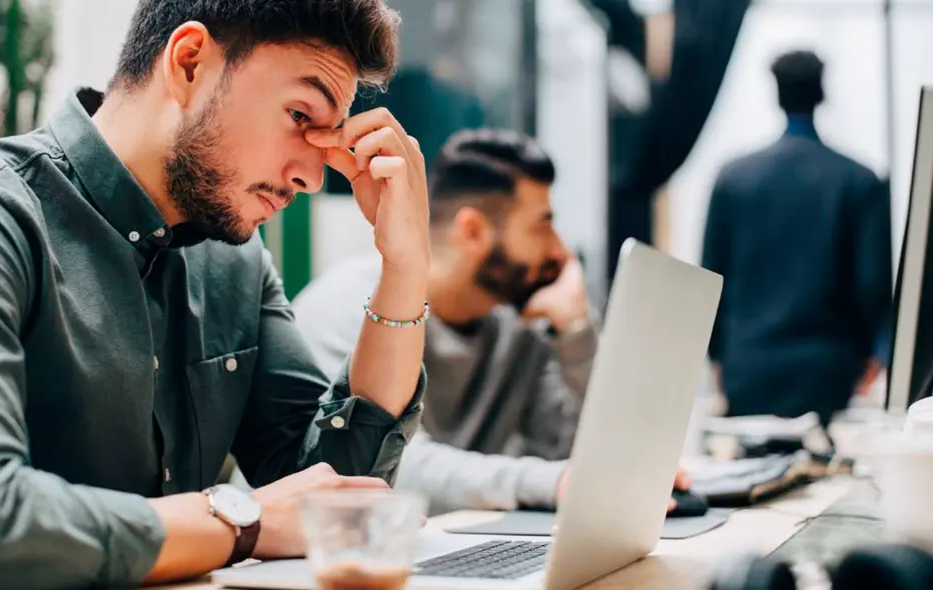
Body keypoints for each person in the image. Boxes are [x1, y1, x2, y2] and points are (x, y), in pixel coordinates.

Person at [0, 1, 433, 588]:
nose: (313, 176)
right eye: (300, 114)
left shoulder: (234, 260)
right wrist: (239, 522)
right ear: (190, 63)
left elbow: (330, 491)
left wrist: (404, 266)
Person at [294, 128, 690, 515]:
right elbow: (387, 469)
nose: (559, 250)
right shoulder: (347, 308)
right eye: (542, 224)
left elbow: (573, 452)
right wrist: (551, 483)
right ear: (473, 231)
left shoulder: (519, 327)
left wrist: (575, 333)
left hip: (449, 546)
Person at [701, 49, 892, 425]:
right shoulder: (859, 180)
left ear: (778, 95)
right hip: (827, 370)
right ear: (821, 94)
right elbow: (872, 284)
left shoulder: (733, 179)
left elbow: (711, 279)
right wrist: (877, 354)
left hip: (748, 367)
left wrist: (717, 357)